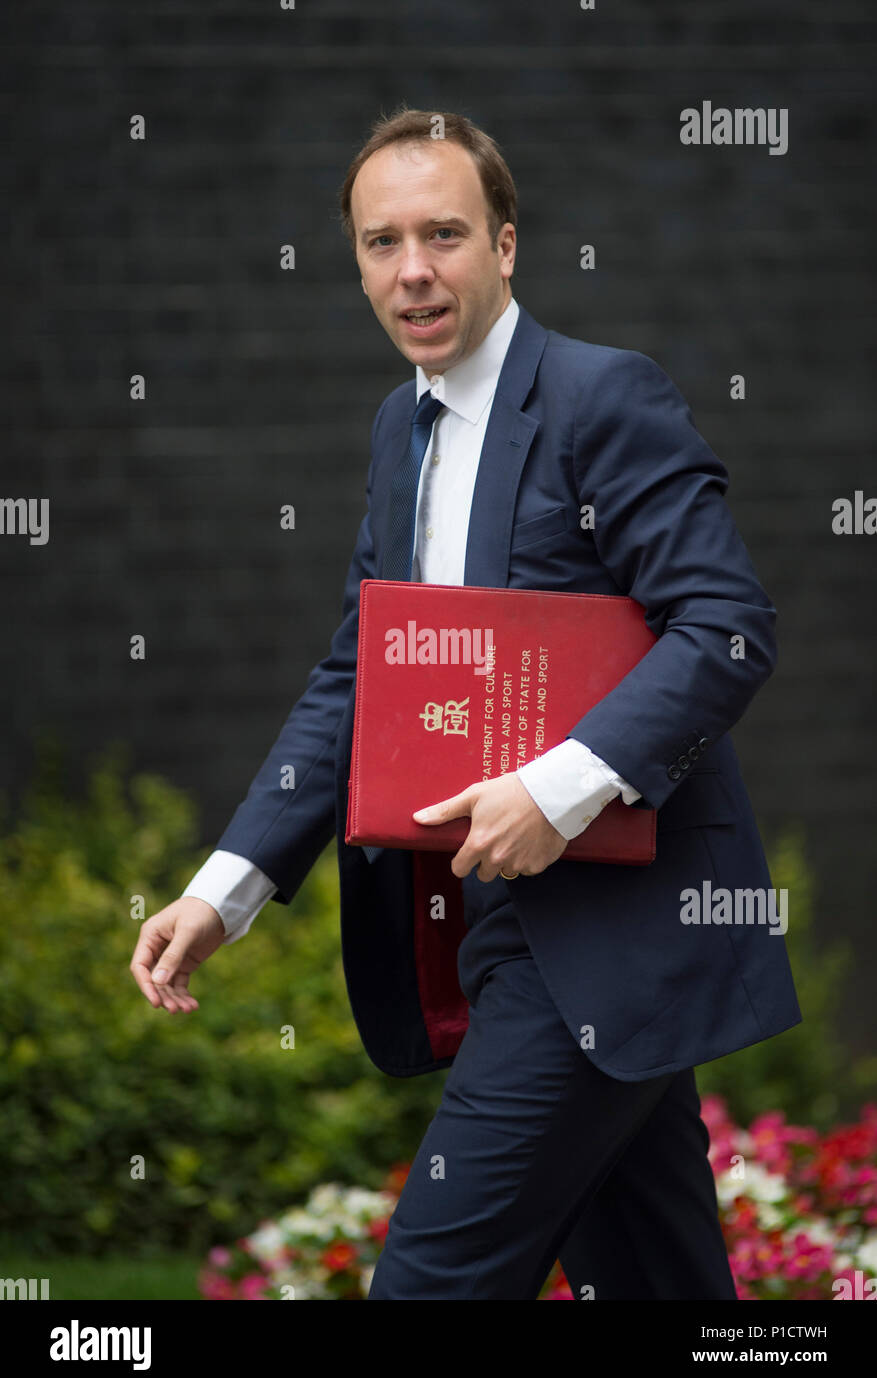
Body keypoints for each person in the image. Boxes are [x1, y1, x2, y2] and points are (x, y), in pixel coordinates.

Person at [130, 107, 801, 1300]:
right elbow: (359, 677)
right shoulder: (403, 430)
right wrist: (222, 889)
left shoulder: (606, 397)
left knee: (430, 1283)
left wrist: (557, 790)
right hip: (492, 926)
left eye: (442, 233)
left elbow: (727, 627)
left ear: (504, 245)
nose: (413, 270)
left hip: (616, 935)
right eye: (381, 243)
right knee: (661, 1283)